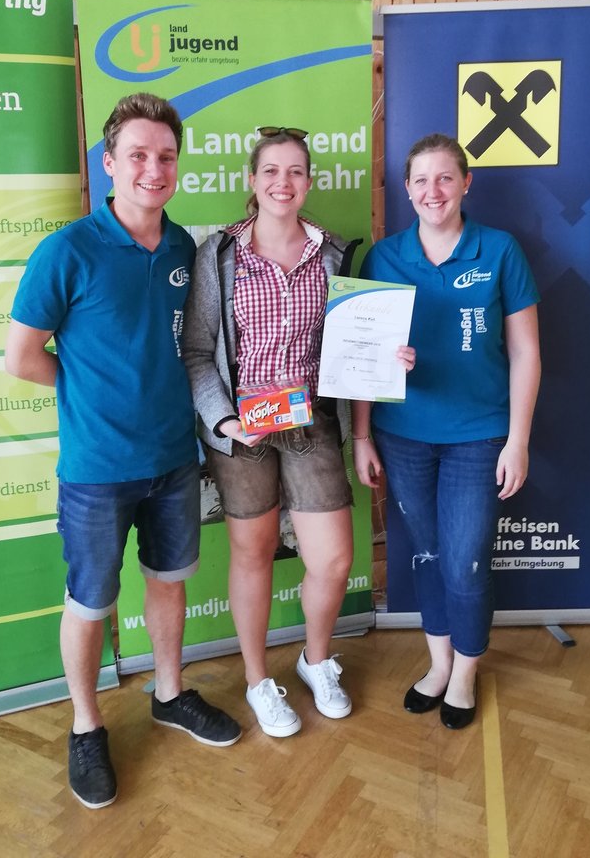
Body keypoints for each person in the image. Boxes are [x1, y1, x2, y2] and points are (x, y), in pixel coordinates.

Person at [5, 93, 240, 810]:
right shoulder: (67, 251)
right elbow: (21, 357)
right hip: (96, 471)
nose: (153, 169)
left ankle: (169, 694)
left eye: (165, 156)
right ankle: (86, 726)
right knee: (90, 602)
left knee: (168, 582)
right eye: (137, 155)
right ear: (109, 163)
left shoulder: (182, 248)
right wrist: (87, 393)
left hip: (173, 459)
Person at [352, 134, 540, 730]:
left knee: (464, 562)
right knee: (428, 554)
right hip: (402, 434)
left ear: (465, 183)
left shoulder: (499, 250)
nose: (432, 191)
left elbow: (526, 352)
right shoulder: (383, 258)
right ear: (406, 190)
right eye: (420, 180)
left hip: (479, 436)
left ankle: (465, 671)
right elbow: (362, 358)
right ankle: (438, 665)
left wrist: (518, 440)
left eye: (444, 178)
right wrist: (362, 435)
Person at [183, 126, 359, 739]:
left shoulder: (332, 254)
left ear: (309, 182)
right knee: (253, 554)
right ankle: (259, 680)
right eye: (271, 171)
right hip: (244, 431)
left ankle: (316, 660)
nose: (283, 182)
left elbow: (348, 345)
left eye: (295, 171)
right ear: (252, 180)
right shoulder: (219, 255)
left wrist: (387, 357)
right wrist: (223, 419)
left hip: (311, 423)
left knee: (333, 560)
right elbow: (196, 352)